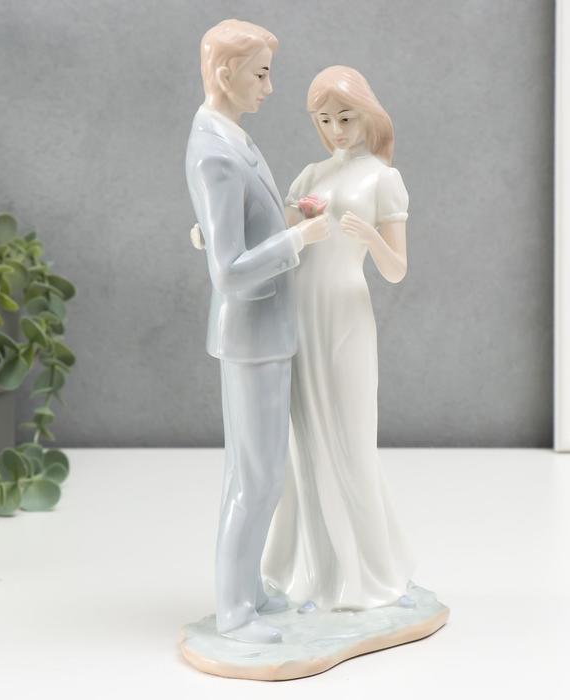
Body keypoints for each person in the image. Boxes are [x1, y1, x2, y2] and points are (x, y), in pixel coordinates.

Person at [184, 19, 328, 644]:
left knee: (254, 473)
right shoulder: (215, 152)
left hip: (264, 329)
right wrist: (300, 239)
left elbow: (233, 228)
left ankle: (246, 590)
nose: (270, 88)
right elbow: (229, 271)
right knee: (258, 477)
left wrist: (285, 219)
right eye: (261, 74)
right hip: (252, 331)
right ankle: (233, 611)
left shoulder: (230, 136)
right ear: (226, 74)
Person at [260, 65, 417, 612]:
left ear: (367, 114)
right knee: (305, 442)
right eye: (325, 120)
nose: (336, 130)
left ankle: (370, 573)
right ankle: (316, 574)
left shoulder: (382, 179)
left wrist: (369, 235)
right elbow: (275, 238)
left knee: (349, 438)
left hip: (346, 313)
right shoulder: (310, 175)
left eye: (345, 118)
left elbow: (396, 270)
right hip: (301, 310)